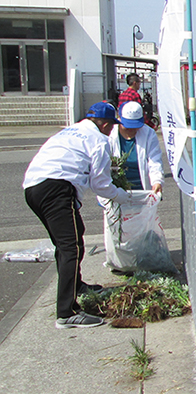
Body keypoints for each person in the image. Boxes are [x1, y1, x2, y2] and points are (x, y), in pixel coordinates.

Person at [23, 102, 132, 329]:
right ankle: (67, 312)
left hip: (33, 187)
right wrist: (122, 196)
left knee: (71, 239)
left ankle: (77, 285)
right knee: (70, 247)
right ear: (104, 125)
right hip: (57, 188)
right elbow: (101, 184)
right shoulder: (99, 140)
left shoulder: (71, 131)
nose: (112, 131)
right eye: (111, 126)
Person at [108, 101, 164, 195]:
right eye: (127, 126)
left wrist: (157, 181)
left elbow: (154, 160)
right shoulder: (109, 134)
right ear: (119, 118)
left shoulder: (148, 133)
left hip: (142, 190)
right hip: (115, 191)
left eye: (135, 126)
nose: (131, 130)